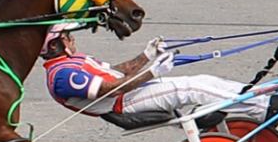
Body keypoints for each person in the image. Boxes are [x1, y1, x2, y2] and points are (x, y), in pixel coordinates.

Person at [40, 26, 251, 127]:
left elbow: (117, 72)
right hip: (125, 105)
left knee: (204, 81)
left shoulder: (70, 63)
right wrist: (153, 71)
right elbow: (113, 88)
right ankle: (262, 105)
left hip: (133, 95)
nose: (71, 38)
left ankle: (252, 94)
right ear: (55, 45)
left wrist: (147, 55)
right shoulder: (62, 76)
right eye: (66, 37)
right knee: (189, 89)